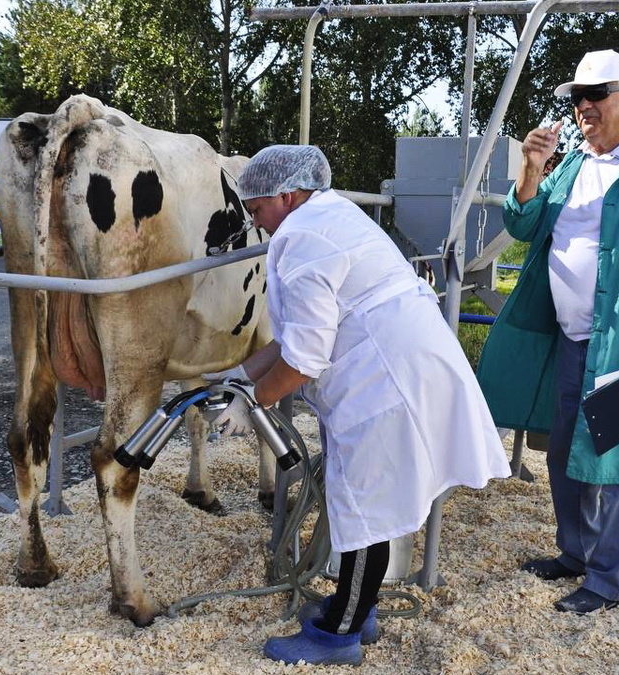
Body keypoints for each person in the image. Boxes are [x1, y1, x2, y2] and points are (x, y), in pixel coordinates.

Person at [205, 145, 511, 666]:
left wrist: (251, 402)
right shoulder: (329, 216)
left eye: (256, 210)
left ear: (287, 194)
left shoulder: (304, 237)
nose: (255, 222)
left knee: (366, 506)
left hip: (386, 380)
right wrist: (242, 372)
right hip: (394, 364)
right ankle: (354, 605)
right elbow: (300, 333)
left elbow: (303, 358)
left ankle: (341, 633)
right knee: (365, 501)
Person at [475, 49, 619, 614]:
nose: (584, 106)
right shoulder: (574, 165)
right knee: (563, 453)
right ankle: (575, 551)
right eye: (578, 97)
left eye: (596, 94)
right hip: (573, 339)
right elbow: (525, 225)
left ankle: (605, 580)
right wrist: (531, 169)